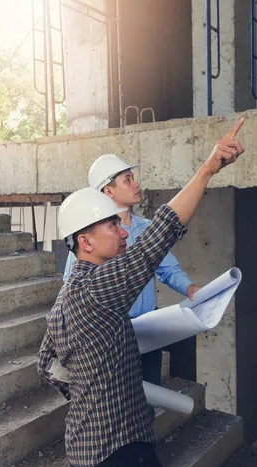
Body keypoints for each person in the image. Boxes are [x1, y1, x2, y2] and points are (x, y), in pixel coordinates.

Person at [37, 117, 245, 467]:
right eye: (113, 225)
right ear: (85, 241)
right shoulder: (100, 288)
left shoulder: (70, 296)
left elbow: (47, 364)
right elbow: (160, 237)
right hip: (118, 449)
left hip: (84, 449)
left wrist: (93, 390)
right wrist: (208, 168)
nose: (124, 231)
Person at [63, 153, 200, 447]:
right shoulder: (88, 238)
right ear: (108, 191)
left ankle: (143, 461)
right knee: (115, 402)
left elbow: (168, 268)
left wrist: (190, 289)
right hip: (109, 335)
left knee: (145, 401)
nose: (136, 185)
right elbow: (71, 289)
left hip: (145, 329)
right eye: (127, 180)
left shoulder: (146, 228)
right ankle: (123, 461)